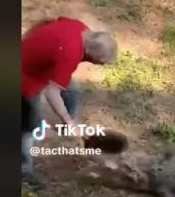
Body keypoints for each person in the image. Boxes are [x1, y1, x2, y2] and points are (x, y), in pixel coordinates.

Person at [21, 17, 118, 183]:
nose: (98, 65)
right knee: (32, 127)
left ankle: (67, 127)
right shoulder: (70, 54)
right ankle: (24, 169)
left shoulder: (81, 28)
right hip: (26, 77)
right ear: (90, 55)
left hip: (42, 66)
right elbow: (52, 93)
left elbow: (50, 20)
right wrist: (66, 118)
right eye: (99, 63)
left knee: (74, 92)